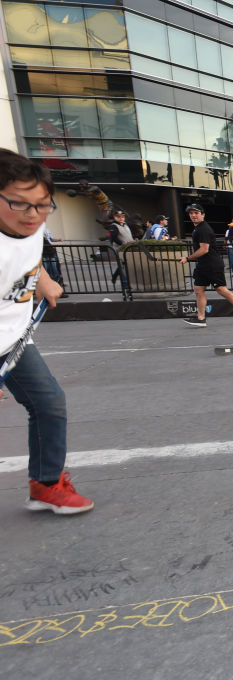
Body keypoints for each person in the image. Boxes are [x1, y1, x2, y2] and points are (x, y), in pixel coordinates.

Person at [0, 148, 93, 514]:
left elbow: (31, 257)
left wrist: (43, 280)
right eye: (21, 204)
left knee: (49, 403)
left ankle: (46, 484)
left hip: (15, 338)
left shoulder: (32, 229)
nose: (34, 215)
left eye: (42, 205)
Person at [178, 203, 233, 328]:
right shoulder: (198, 228)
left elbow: (204, 249)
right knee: (198, 290)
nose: (193, 215)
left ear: (203, 215)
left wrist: (188, 258)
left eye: (196, 213)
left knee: (221, 289)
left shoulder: (203, 229)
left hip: (212, 264)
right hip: (203, 264)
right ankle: (201, 319)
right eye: (191, 213)